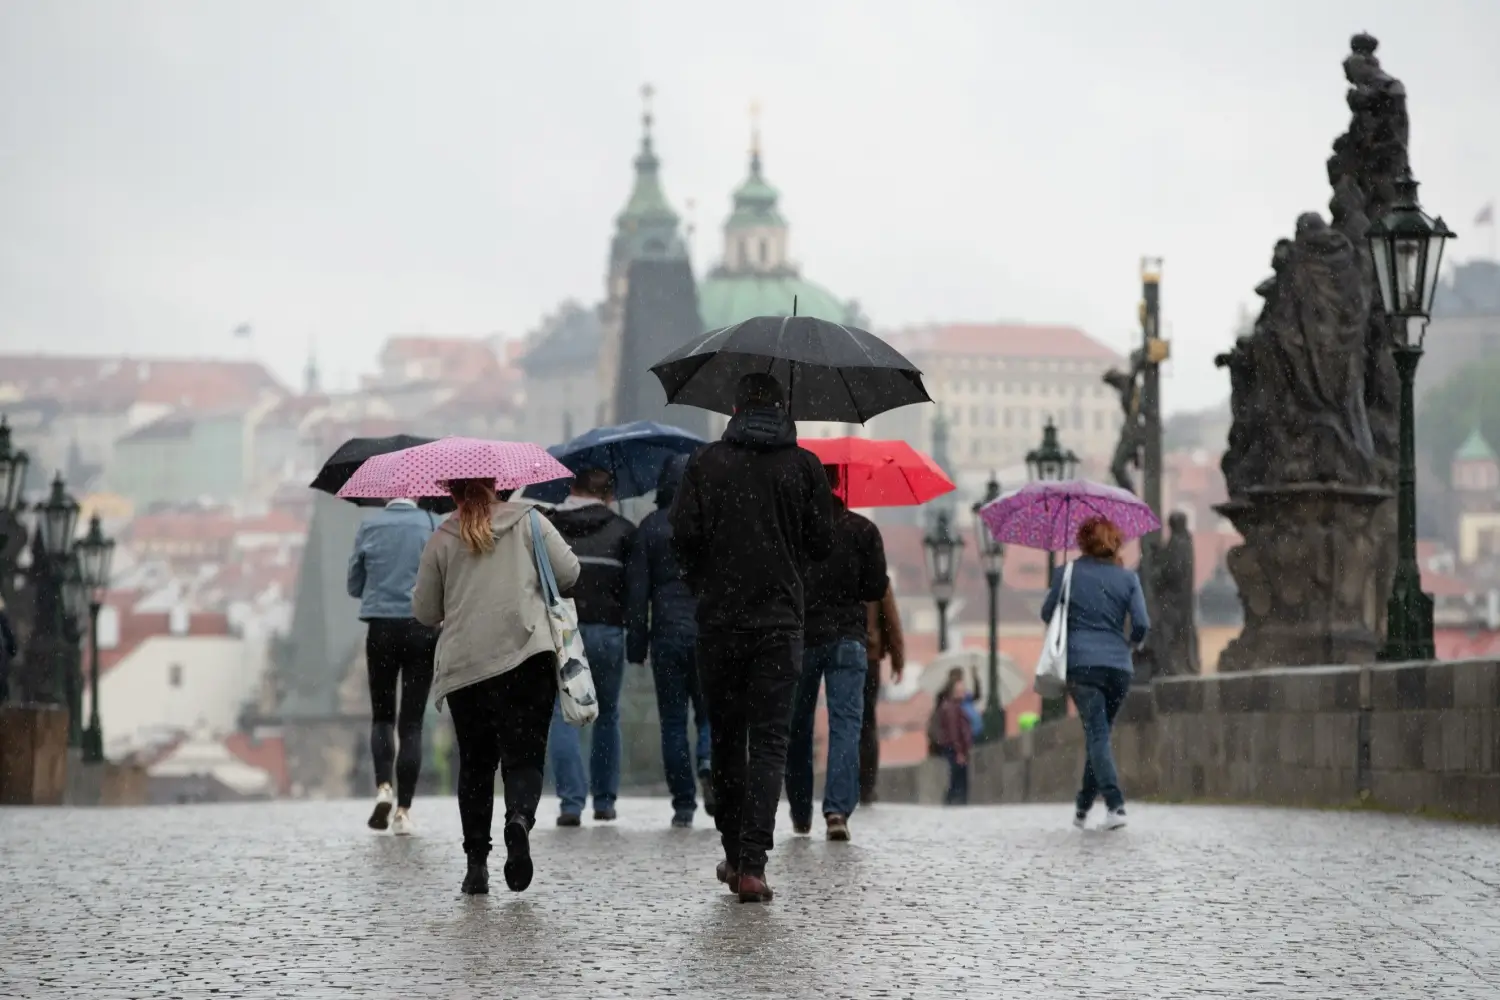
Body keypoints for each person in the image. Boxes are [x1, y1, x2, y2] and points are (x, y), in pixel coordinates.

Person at [671, 372, 834, 903]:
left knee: (725, 740)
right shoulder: (803, 465)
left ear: (735, 408)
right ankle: (753, 866)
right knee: (769, 744)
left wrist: (705, 583)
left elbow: (684, 537)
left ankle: (735, 854)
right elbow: (823, 543)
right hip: (779, 622)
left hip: (719, 621)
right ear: (783, 408)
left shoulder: (705, 463)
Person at [412, 477, 580, 895]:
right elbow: (571, 573)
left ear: (451, 492)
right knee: (523, 757)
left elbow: (424, 610)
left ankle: (476, 864)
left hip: (468, 668)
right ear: (497, 483)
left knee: (475, 764)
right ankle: (519, 818)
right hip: (526, 656)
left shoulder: (441, 537)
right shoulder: (531, 521)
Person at [785, 465, 889, 842]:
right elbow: (876, 587)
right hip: (849, 637)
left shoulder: (794, 530)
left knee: (797, 726)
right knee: (846, 725)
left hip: (803, 637)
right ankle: (836, 811)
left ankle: (800, 811)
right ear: (840, 482)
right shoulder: (862, 529)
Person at [1040, 515, 1149, 832]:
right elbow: (1142, 624)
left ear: (1083, 542)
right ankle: (1082, 807)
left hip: (1082, 666)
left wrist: (1062, 588)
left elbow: (1047, 613)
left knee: (1097, 733)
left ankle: (1115, 806)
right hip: (1119, 668)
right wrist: (1128, 645)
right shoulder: (1128, 579)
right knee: (1099, 733)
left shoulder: (1068, 572)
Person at [625, 452, 713, 828]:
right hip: (707, 634)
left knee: (673, 723)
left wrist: (637, 644)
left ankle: (683, 805)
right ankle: (709, 761)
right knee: (711, 715)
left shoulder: (650, 527)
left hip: (666, 638)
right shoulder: (712, 523)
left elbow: (637, 593)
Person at [544, 467, 635, 825]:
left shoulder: (550, 529)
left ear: (571, 486)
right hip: (609, 632)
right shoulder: (624, 531)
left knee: (563, 714)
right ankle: (605, 801)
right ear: (610, 494)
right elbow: (634, 589)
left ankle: (570, 803)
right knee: (607, 714)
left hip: (564, 632)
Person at [346, 496, 439, 835]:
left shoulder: (369, 526)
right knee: (411, 723)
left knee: (383, 716)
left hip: (381, 629)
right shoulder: (431, 524)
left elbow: (354, 584)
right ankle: (403, 811)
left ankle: (384, 787)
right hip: (421, 628)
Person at [860, 584, 905, 804]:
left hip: (843, 648)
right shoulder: (875, 571)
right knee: (867, 721)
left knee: (845, 720)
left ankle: (846, 781)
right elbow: (891, 619)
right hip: (870, 656)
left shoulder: (839, 559)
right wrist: (898, 658)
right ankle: (867, 786)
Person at [927, 668, 972, 806]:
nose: (963, 691)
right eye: (960, 689)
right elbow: (954, 732)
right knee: (958, 778)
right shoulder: (951, 708)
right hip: (954, 748)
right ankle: (952, 801)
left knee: (956, 777)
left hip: (954, 748)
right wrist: (959, 751)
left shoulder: (954, 706)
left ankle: (952, 801)